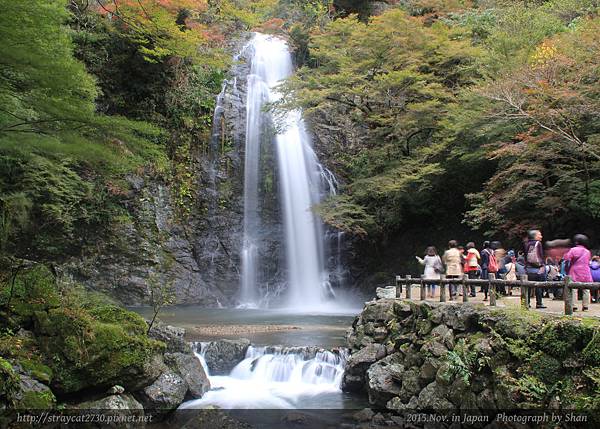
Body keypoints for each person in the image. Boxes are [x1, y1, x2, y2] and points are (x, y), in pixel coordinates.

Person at [563, 234, 592, 311]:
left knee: (573, 289)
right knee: (586, 289)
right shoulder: (587, 251)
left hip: (575, 271)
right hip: (586, 271)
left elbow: (566, 258)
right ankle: (585, 306)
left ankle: (574, 306)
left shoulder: (573, 250)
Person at [524, 229, 546, 309]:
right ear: (534, 236)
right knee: (538, 286)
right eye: (539, 234)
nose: (541, 236)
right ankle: (539, 303)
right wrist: (542, 265)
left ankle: (527, 303)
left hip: (528, 268)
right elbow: (538, 256)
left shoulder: (527, 244)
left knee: (528, 287)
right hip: (537, 268)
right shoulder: (538, 243)